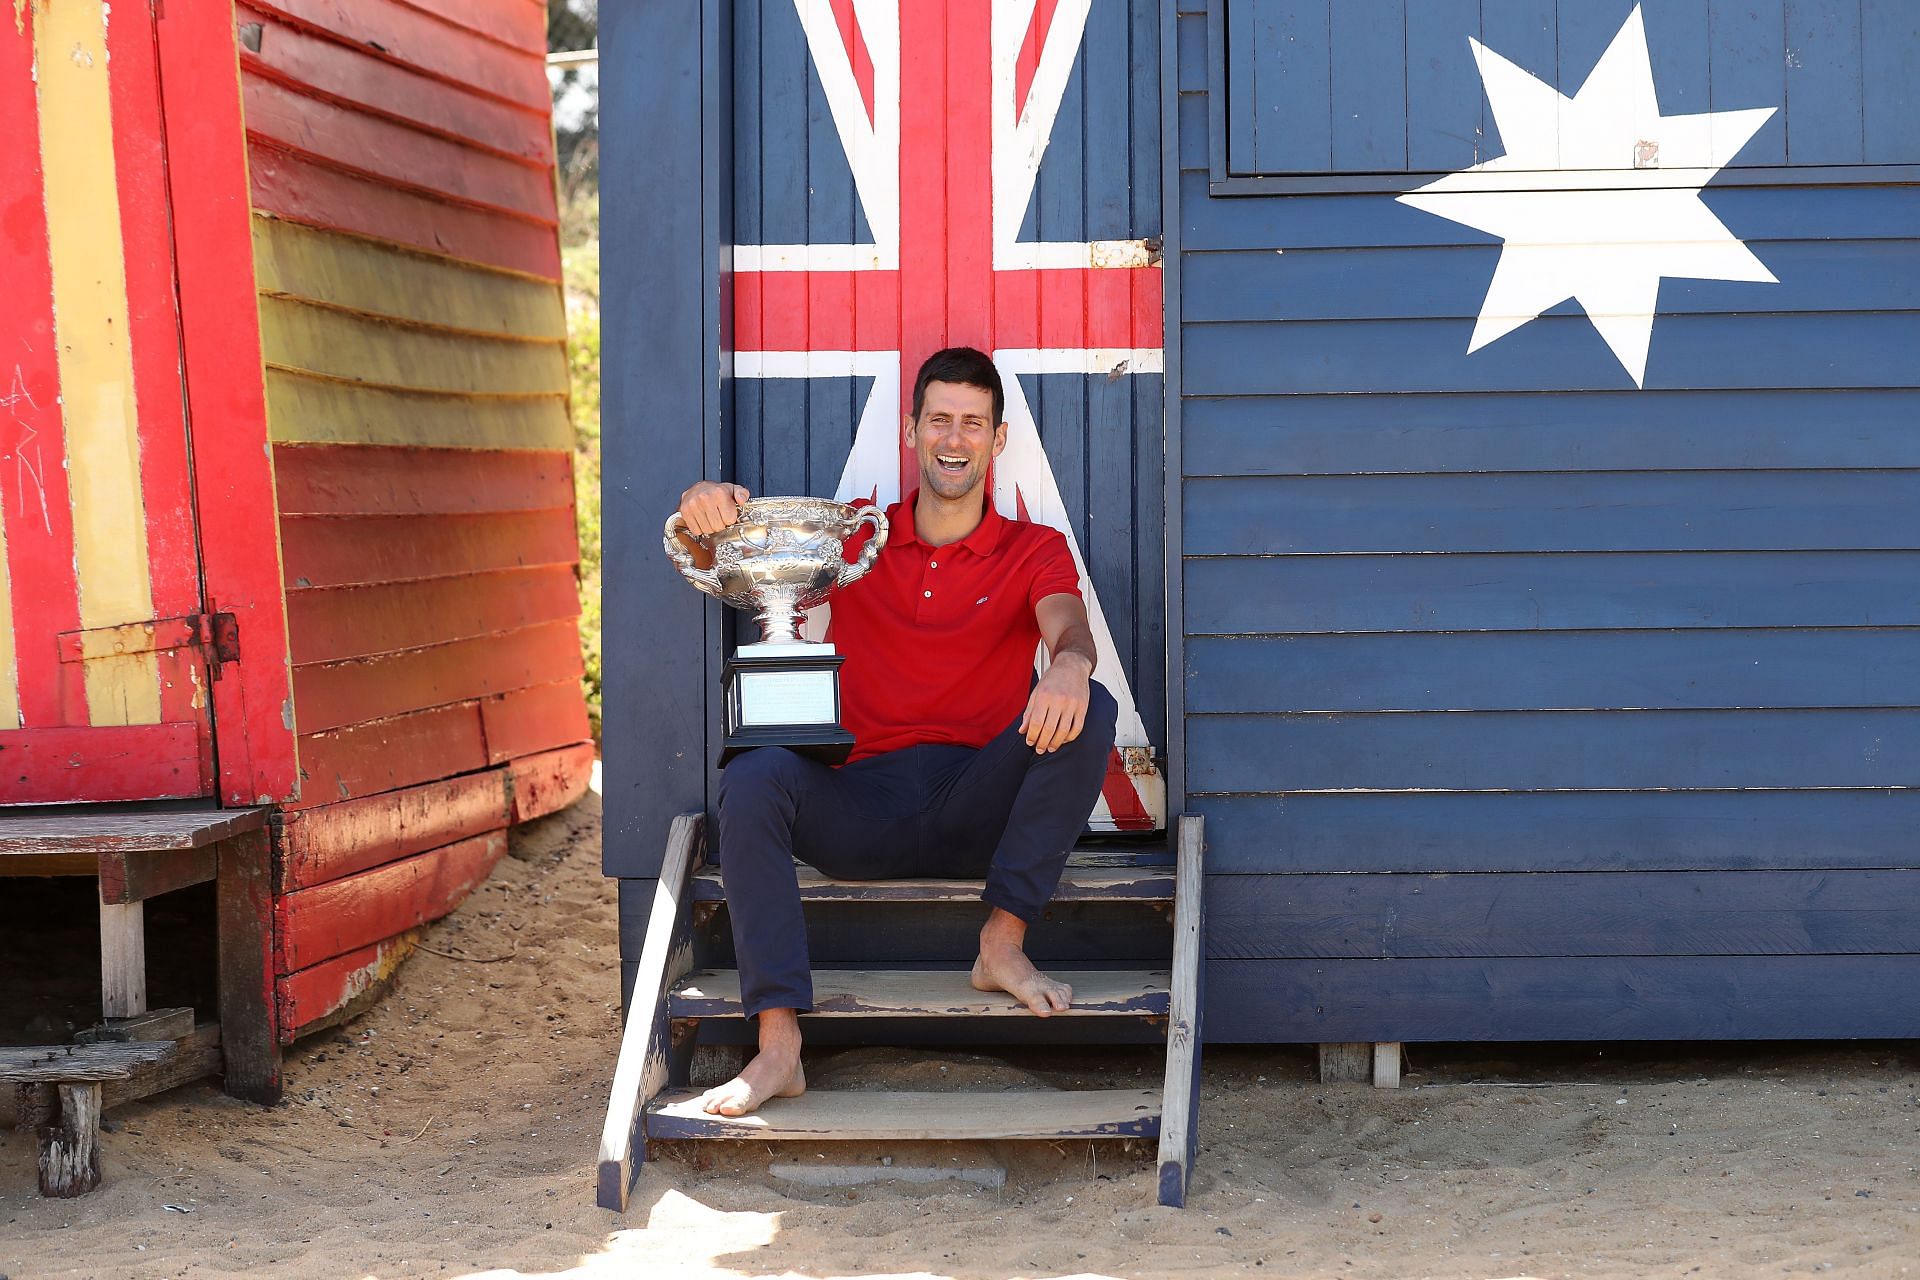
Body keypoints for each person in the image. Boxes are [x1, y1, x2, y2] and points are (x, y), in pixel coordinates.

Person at [673, 346, 1119, 1117]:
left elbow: (1068, 627)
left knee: (1094, 707)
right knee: (751, 775)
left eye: (972, 423)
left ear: (997, 439)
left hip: (977, 802)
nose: (955, 439)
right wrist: (704, 510)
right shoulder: (855, 541)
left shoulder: (1032, 547)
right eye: (939, 420)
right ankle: (779, 1046)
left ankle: (1001, 945)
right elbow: (727, 554)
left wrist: (1070, 663)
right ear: (911, 431)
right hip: (862, 805)